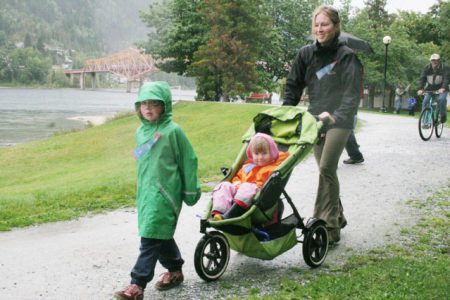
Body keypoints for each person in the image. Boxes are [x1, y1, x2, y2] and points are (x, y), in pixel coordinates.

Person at [283, 5, 363, 244]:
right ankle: (337, 215)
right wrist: (286, 111)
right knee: (325, 172)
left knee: (327, 167)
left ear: (336, 26)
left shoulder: (346, 55)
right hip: (315, 118)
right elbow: (294, 85)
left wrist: (336, 115)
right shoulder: (305, 54)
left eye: (325, 24)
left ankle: (328, 226)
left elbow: (351, 94)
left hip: (340, 119)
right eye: (317, 24)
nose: (320, 29)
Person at [114, 82, 201, 300]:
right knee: (159, 233)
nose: (148, 108)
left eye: (154, 103)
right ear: (138, 106)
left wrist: (191, 191)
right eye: (144, 103)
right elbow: (142, 160)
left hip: (165, 193)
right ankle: (175, 270)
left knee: (150, 236)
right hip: (146, 192)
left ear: (165, 106)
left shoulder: (174, 132)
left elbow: (189, 160)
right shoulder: (140, 132)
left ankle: (137, 284)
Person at [211, 133, 289, 221]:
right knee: (224, 185)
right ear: (251, 154)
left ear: (271, 153)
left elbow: (284, 158)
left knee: (247, 187)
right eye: (256, 154)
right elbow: (238, 177)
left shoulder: (274, 166)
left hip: (258, 194)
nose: (260, 157)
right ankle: (218, 213)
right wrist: (237, 183)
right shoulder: (248, 165)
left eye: (264, 153)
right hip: (239, 191)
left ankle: (230, 215)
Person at [417, 53, 449, 123]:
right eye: (432, 60)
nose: (434, 62)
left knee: (441, 99)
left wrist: (443, 88)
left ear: (439, 60)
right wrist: (420, 88)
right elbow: (422, 78)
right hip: (430, 89)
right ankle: (425, 122)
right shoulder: (427, 67)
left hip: (442, 89)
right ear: (430, 60)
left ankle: (443, 117)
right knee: (425, 101)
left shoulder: (445, 67)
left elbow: (447, 78)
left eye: (436, 60)